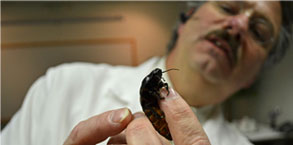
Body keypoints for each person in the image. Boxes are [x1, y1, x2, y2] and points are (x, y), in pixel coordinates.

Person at [2, 1, 292, 145]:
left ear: (253, 76)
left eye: (259, 31)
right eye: (228, 6)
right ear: (186, 19)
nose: (239, 25)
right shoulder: (62, 86)